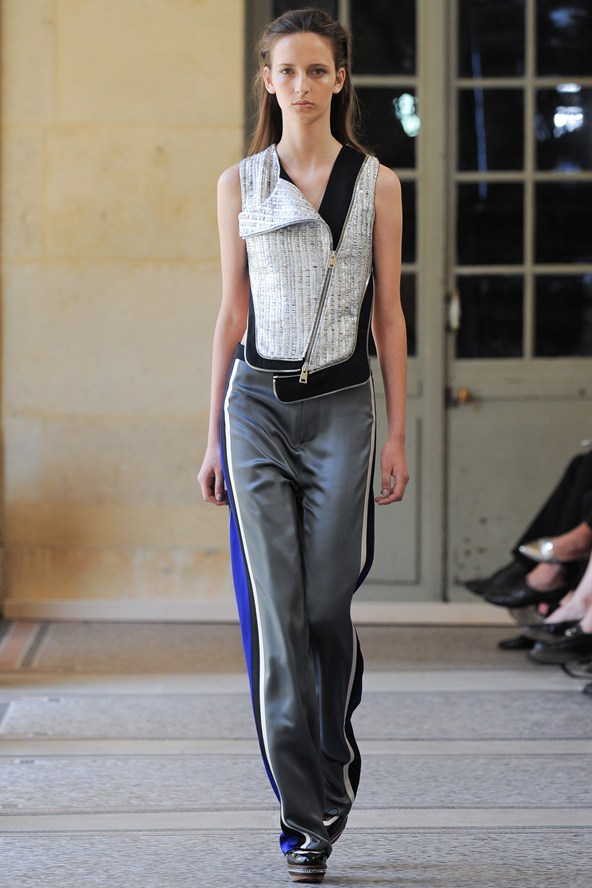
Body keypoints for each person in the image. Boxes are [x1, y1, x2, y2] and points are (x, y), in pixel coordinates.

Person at [197, 8, 408, 884]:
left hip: (342, 409)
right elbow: (230, 314)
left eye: (317, 70)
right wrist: (211, 435)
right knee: (277, 620)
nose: (302, 85)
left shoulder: (377, 184)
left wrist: (398, 434)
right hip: (254, 409)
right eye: (286, 71)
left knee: (325, 608)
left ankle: (331, 764)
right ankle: (303, 819)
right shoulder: (239, 183)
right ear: (267, 81)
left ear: (340, 79)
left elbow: (389, 316)